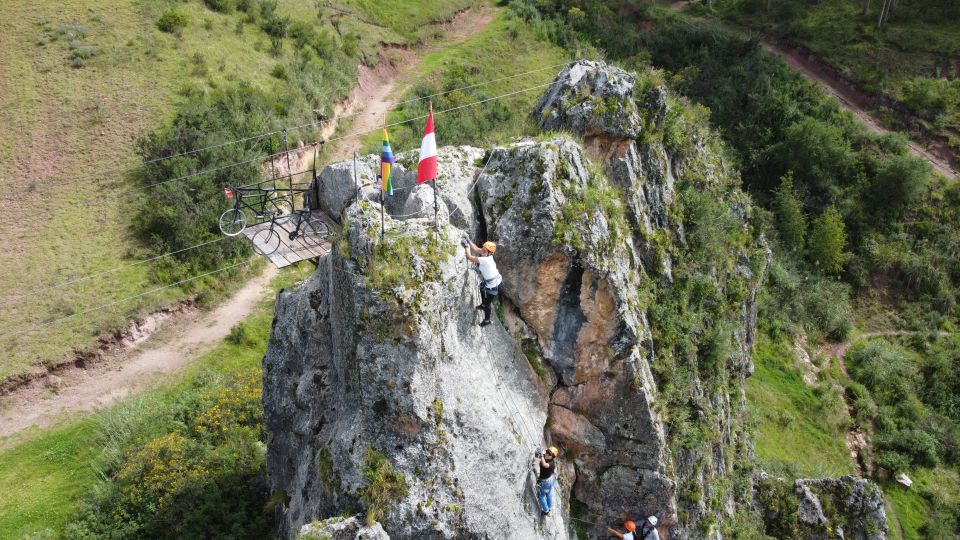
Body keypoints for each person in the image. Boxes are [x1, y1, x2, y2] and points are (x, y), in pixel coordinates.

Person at [461, 238, 501, 327]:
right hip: (492, 281)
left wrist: (466, 246)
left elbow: (470, 257)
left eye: (484, 250)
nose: (482, 251)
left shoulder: (485, 259)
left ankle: (487, 320)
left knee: (488, 304)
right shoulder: (487, 255)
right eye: (483, 249)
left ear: (489, 252)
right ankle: (483, 305)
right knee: (482, 288)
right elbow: (476, 249)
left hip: (493, 285)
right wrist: (469, 241)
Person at [536, 446, 558, 515]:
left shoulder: (551, 463)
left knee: (541, 496)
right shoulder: (547, 456)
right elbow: (545, 451)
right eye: (547, 452)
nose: (547, 454)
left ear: (552, 457)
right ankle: (549, 507)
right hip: (550, 480)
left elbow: (544, 465)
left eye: (549, 454)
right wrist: (543, 452)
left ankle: (546, 511)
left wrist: (542, 455)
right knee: (548, 494)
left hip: (546, 482)